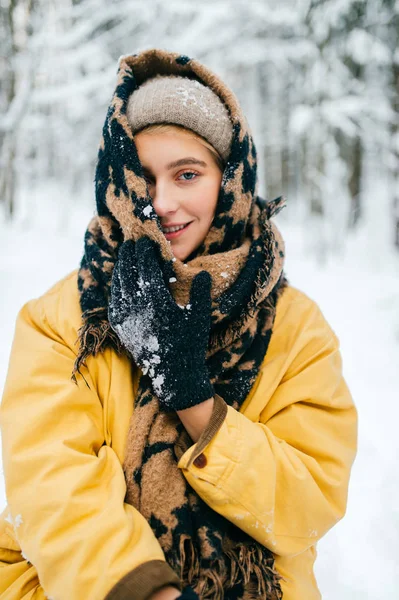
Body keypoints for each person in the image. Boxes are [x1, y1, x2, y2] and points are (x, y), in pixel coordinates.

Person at [0, 48, 357, 600]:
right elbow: (55, 489)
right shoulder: (64, 319)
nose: (162, 202)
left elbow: (307, 501)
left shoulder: (295, 329)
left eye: (187, 174)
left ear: (229, 180)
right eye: (142, 178)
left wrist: (195, 401)